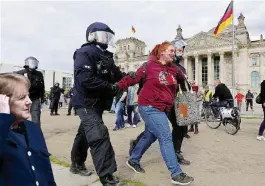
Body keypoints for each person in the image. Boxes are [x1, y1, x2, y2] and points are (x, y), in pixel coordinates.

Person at [117, 42, 194, 185]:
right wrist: (117, 86)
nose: (173, 53)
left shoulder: (174, 69)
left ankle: (133, 160)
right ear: (162, 52)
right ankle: (176, 173)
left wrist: (188, 86)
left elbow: (183, 81)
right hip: (148, 106)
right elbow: (132, 79)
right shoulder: (148, 66)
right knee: (165, 136)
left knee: (150, 136)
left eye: (174, 51)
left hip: (163, 108)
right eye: (171, 51)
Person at [69, 22, 124, 186]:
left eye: (109, 36)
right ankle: (107, 176)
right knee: (99, 134)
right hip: (85, 101)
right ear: (92, 35)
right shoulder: (84, 52)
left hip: (98, 102)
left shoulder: (107, 55)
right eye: (103, 35)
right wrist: (111, 87)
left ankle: (76, 164)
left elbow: (117, 76)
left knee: (85, 134)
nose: (106, 39)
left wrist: (130, 77)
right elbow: (85, 79)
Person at [0, 73, 56, 185]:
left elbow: (46, 171)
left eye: (28, 96)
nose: (29, 101)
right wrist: (3, 118)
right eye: (22, 98)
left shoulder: (33, 128)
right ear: (3, 101)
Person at [15, 56, 45, 126]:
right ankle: (20, 133)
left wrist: (42, 96)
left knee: (36, 117)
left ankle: (36, 133)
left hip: (35, 99)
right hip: (22, 99)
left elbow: (42, 86)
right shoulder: (20, 73)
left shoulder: (39, 74)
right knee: (20, 117)